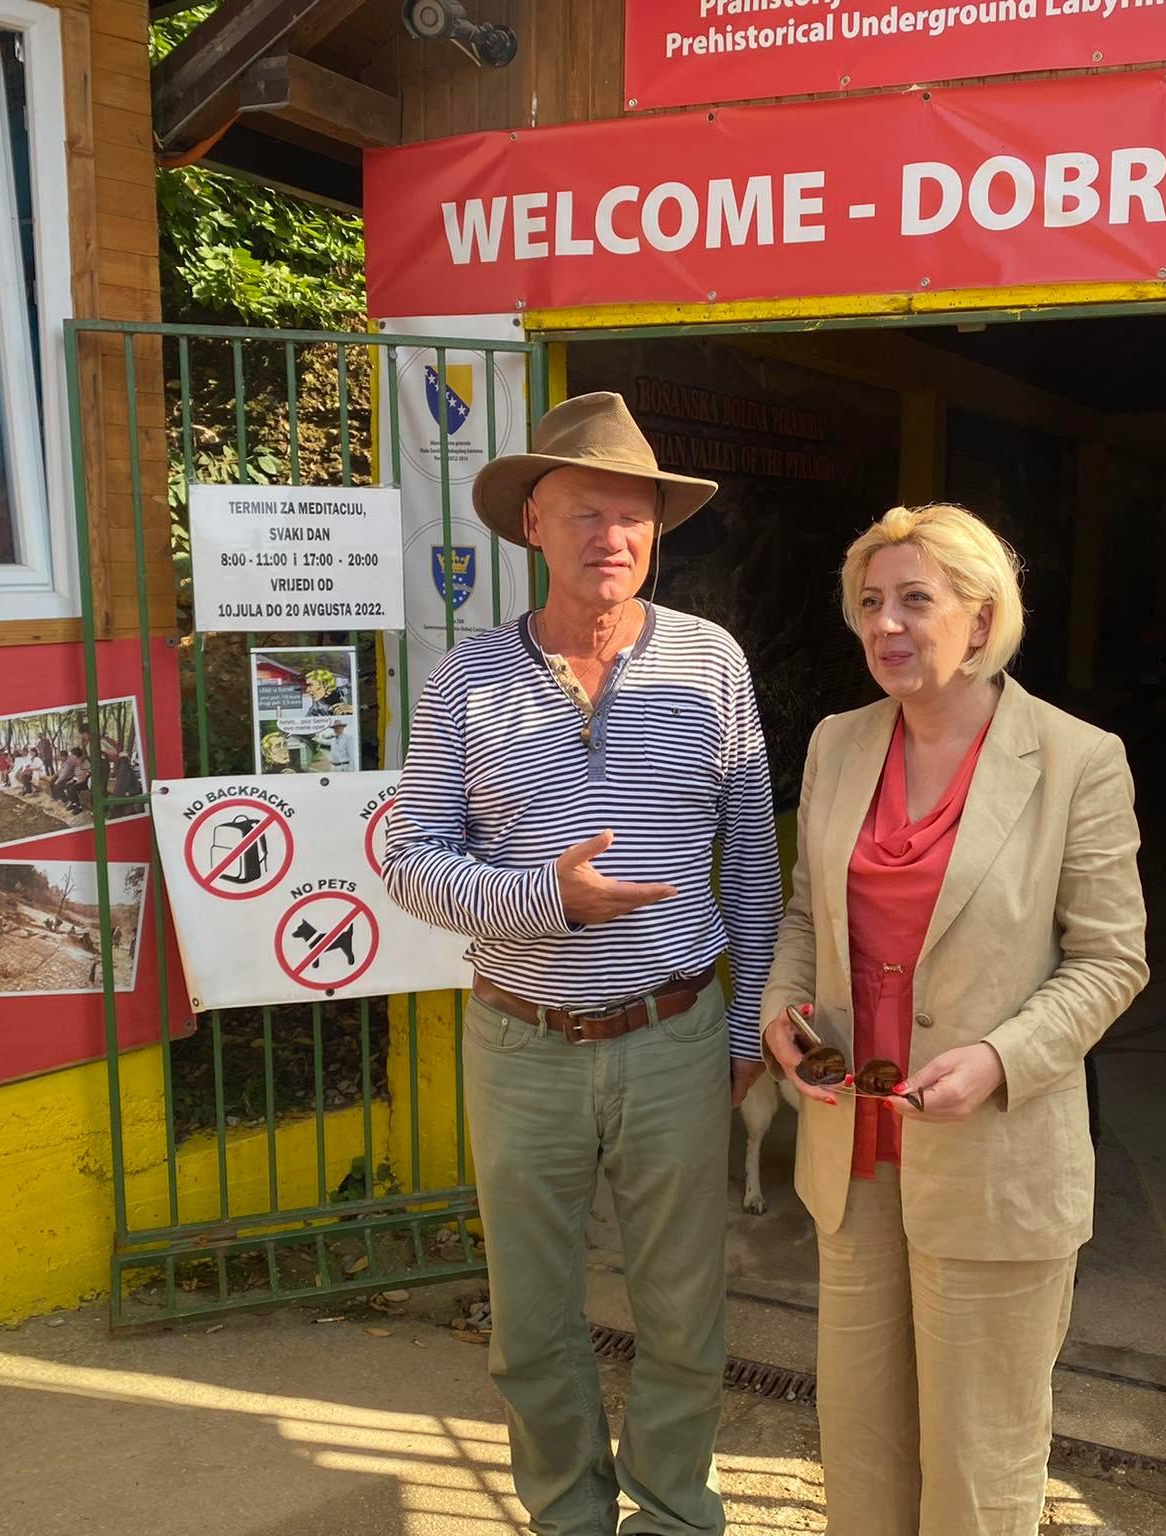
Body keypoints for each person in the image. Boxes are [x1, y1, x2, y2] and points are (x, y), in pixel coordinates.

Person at [383, 391, 780, 1536]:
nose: (613, 537)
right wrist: (543, 900)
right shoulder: (468, 678)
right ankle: (566, 1516)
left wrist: (746, 1026)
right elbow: (412, 862)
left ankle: (670, 1515)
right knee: (534, 1325)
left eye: (636, 517)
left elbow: (752, 861)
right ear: (533, 527)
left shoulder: (709, 664)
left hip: (675, 1035)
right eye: (586, 512)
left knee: (682, 1314)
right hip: (522, 1044)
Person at [759, 503, 1151, 1536]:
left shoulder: (1076, 760)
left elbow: (1112, 958)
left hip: (991, 1151)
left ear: (979, 619)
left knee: (979, 1455)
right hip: (854, 1148)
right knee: (859, 1434)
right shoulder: (839, 744)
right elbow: (806, 911)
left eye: (914, 602)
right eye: (870, 603)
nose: (886, 624)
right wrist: (777, 1010)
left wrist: (997, 1056)